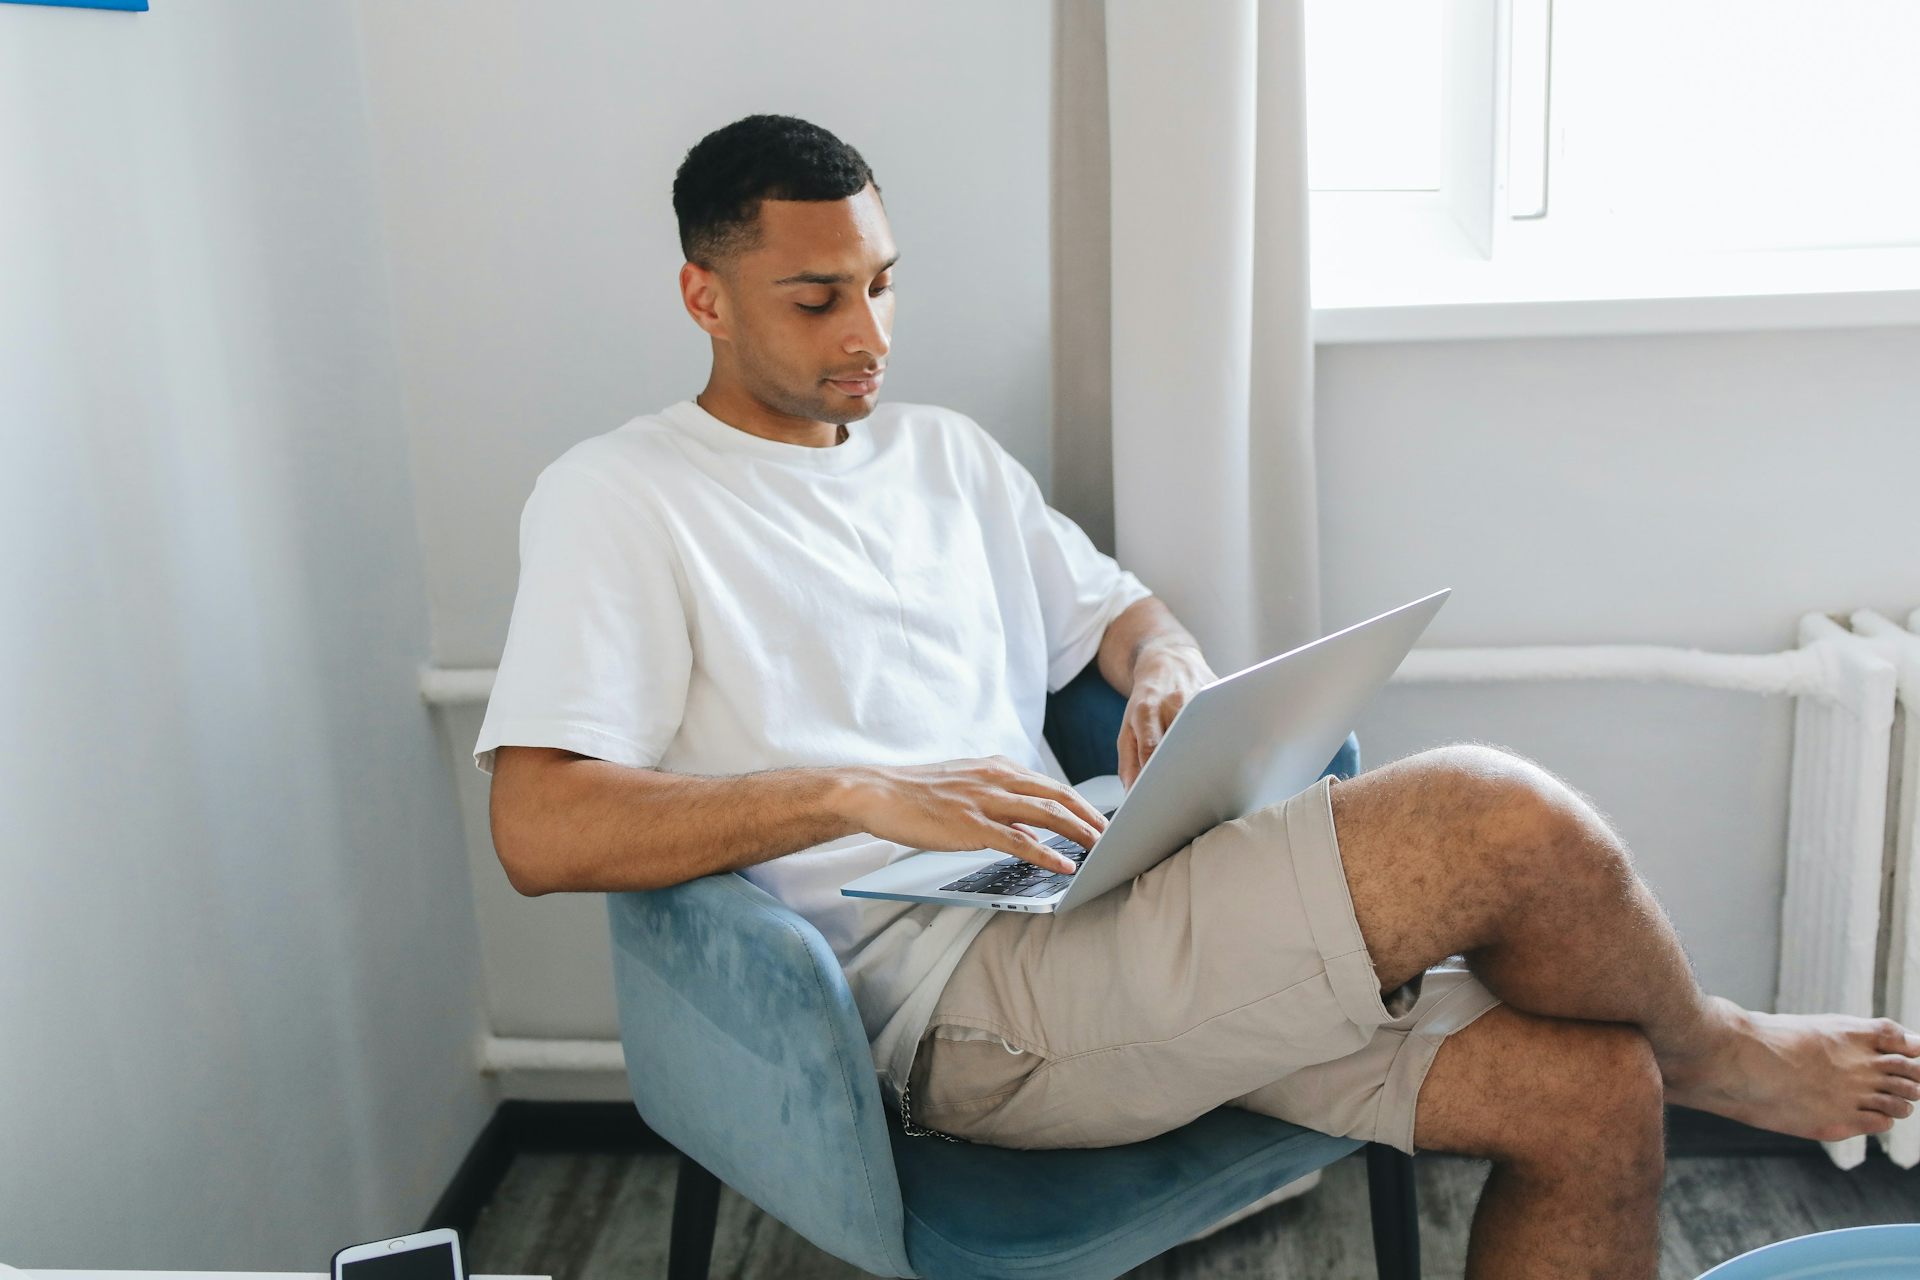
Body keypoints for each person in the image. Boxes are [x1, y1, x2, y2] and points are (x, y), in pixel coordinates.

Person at [474, 113, 1920, 1279]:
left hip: (1089, 892)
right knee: (1497, 819)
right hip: (946, 995)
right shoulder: (622, 498)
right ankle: (1723, 1051)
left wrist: (1164, 668)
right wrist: (851, 790)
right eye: (818, 297)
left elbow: (1122, 620)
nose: (870, 331)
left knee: (1595, 1102)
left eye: (884, 281)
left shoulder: (943, 457)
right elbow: (538, 828)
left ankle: (1680, 1062)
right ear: (702, 297)